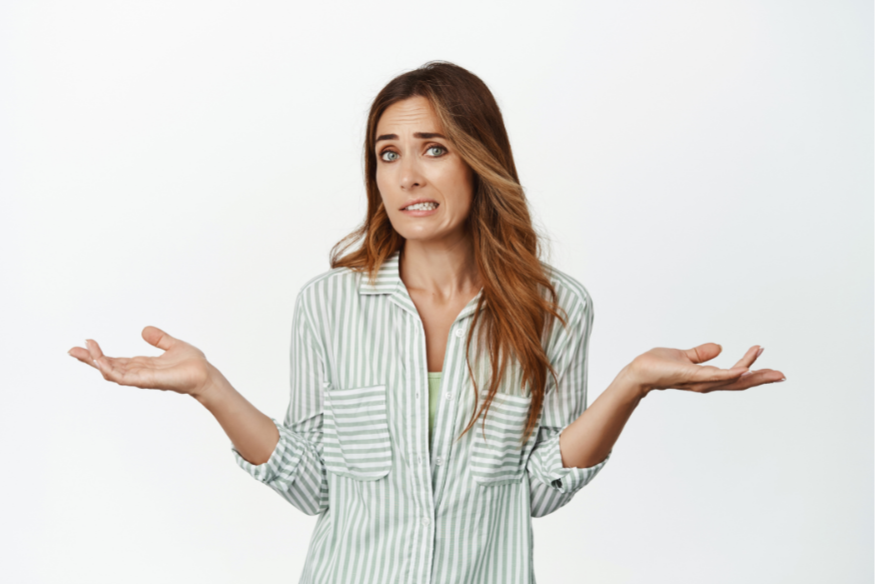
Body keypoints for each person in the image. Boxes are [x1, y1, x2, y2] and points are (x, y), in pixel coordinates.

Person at [68, 61, 785, 584]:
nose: (408, 175)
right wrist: (209, 387)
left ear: (478, 161)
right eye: (389, 154)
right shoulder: (328, 305)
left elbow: (537, 489)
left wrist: (631, 384)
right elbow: (314, 486)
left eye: (433, 149)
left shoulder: (555, 308)